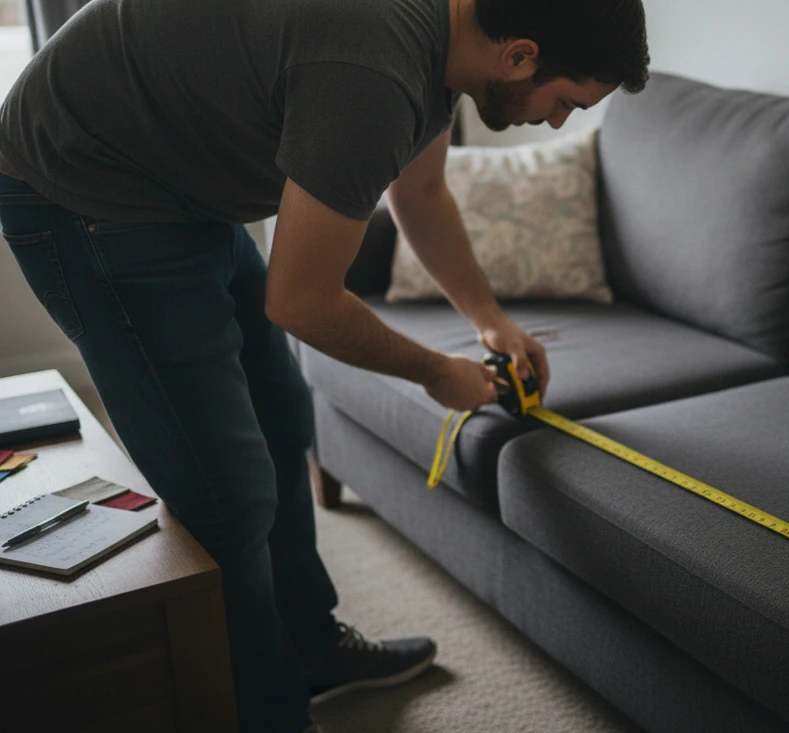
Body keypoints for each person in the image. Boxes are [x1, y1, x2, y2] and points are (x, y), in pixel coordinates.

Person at [0, 0, 649, 730]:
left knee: (283, 413)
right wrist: (435, 369)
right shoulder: (372, 69)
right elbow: (302, 303)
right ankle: (268, 712)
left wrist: (488, 320)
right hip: (84, 184)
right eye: (566, 102)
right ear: (520, 55)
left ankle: (309, 648)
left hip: (175, 181)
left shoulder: (446, 42)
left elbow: (422, 191)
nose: (559, 121)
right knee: (225, 494)